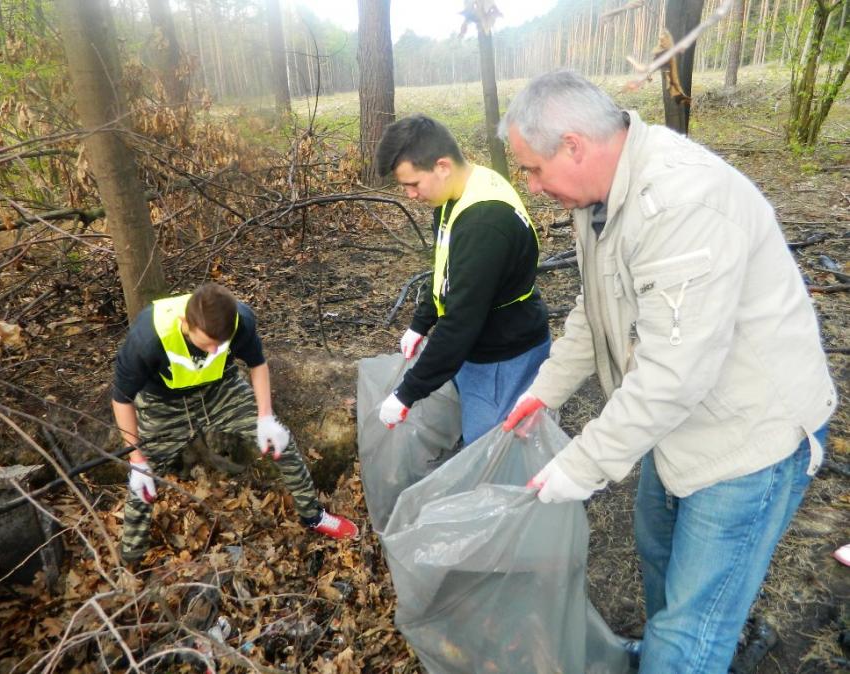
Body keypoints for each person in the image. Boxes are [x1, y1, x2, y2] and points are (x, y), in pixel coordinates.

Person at [499, 71, 836, 673]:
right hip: (680, 423)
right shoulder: (600, 199)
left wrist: (580, 465)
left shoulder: (680, 203)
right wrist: (544, 392)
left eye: (533, 169)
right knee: (659, 557)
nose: (532, 185)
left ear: (573, 146)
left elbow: (673, 374)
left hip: (746, 438)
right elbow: (594, 307)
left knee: (692, 626)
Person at [112, 282, 358, 564]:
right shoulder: (148, 338)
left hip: (220, 389)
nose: (214, 350)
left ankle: (313, 516)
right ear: (186, 323)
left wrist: (265, 416)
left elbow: (257, 364)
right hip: (164, 404)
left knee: (280, 441)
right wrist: (136, 459)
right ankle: (131, 558)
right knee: (142, 481)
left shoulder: (239, 320)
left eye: (220, 344)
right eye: (206, 343)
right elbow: (121, 399)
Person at [375, 114, 550, 445]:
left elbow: (461, 322)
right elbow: (447, 268)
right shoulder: (458, 193)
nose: (410, 195)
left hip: (503, 356)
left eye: (413, 184)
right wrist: (421, 322)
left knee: (490, 449)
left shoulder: (484, 222)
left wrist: (407, 393)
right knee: (480, 437)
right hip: (480, 346)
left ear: (442, 166)